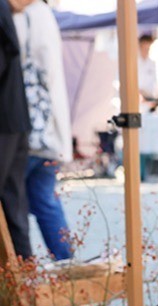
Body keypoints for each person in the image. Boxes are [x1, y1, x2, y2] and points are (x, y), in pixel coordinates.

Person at [13, 0, 72, 260]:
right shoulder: (46, 15)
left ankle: (20, 272)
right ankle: (66, 264)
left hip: (22, 132)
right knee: (46, 203)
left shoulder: (19, 14)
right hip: (50, 132)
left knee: (13, 207)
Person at [0, 0, 30, 260]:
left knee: (14, 202)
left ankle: (22, 286)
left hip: (6, 121)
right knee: (14, 203)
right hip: (14, 119)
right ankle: (24, 285)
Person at [137, 33, 158, 111]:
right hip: (136, 100)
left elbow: (154, 82)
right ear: (140, 46)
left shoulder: (152, 63)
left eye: (148, 48)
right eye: (144, 48)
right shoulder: (133, 63)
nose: (146, 51)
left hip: (149, 100)